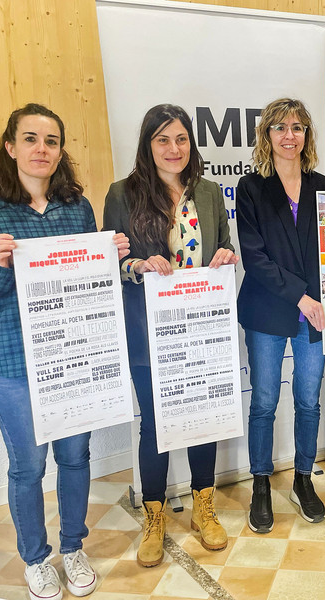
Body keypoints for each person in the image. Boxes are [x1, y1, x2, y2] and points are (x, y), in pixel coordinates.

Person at [0, 104, 130, 600]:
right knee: (27, 468)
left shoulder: (77, 208)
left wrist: (110, 259)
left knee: (75, 459)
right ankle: (36, 558)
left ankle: (73, 547)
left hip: (73, 358)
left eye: (51, 141)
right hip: (13, 365)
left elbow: (92, 282)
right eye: (30, 139)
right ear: (10, 147)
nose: (41, 150)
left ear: (60, 151)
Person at [103, 104, 237, 565]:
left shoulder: (210, 192)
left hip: (201, 328)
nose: (173, 148)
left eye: (181, 139)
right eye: (163, 139)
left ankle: (204, 506)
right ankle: (154, 515)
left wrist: (224, 255)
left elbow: (227, 244)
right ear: (148, 145)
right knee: (156, 424)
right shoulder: (122, 193)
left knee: (203, 415)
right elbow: (110, 261)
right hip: (147, 330)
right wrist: (137, 265)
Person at [236, 98, 325, 532]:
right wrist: (301, 297)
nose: (289, 135)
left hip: (316, 311)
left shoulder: (324, 185)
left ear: (306, 135)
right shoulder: (252, 187)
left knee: (308, 400)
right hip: (269, 311)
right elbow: (255, 258)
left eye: (297, 127)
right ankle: (261, 481)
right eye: (280, 128)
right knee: (263, 401)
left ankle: (302, 478)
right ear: (267, 135)